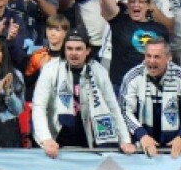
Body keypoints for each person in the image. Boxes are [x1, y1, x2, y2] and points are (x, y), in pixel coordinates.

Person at [31, 28, 130, 157]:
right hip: (56, 140)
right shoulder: (50, 69)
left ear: (88, 50)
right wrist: (46, 139)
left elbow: (113, 107)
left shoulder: (99, 71)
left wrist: (125, 140)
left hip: (89, 139)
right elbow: (39, 106)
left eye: (78, 49)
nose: (73, 53)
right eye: (69, 48)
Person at [119, 38, 181, 157]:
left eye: (157, 57)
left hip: (175, 150)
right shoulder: (132, 77)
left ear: (169, 57)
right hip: (141, 149)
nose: (151, 61)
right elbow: (125, 110)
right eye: (148, 56)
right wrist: (141, 135)